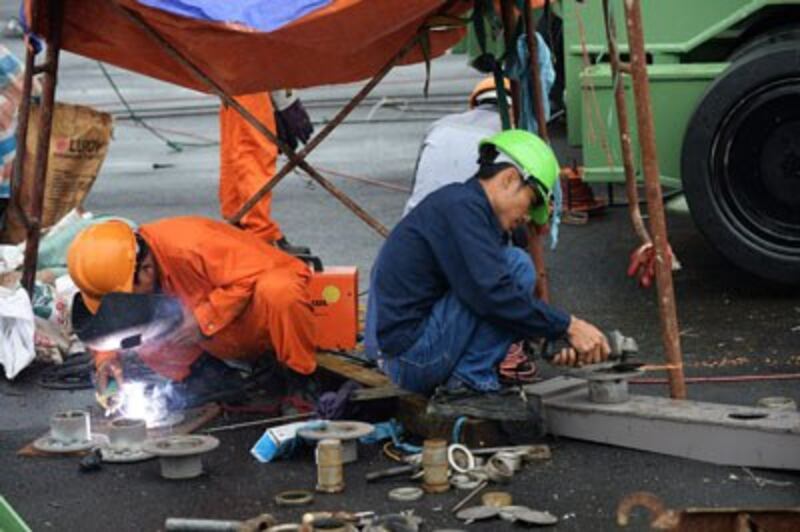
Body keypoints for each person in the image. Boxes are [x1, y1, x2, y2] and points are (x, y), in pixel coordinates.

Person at [365, 129, 610, 400]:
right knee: (516, 267)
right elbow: (493, 294)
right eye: (531, 202)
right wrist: (569, 326)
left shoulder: (465, 208)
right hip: (412, 359)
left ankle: (468, 378)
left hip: (412, 352)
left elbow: (490, 297)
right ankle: (469, 382)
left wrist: (550, 339)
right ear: (509, 179)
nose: (528, 216)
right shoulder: (463, 209)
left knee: (508, 271)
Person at [67, 216, 317, 407]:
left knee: (279, 290)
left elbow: (255, 274)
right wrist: (106, 357)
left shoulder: (191, 245)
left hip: (256, 319)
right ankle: (210, 378)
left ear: (145, 268)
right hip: (215, 331)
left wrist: (202, 319)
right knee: (142, 322)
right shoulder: (124, 263)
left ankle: (300, 379)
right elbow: (112, 318)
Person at [219, 91, 312, 254]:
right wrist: (285, 100)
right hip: (249, 80)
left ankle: (237, 224)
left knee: (236, 148)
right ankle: (260, 233)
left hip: (232, 78)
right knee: (254, 151)